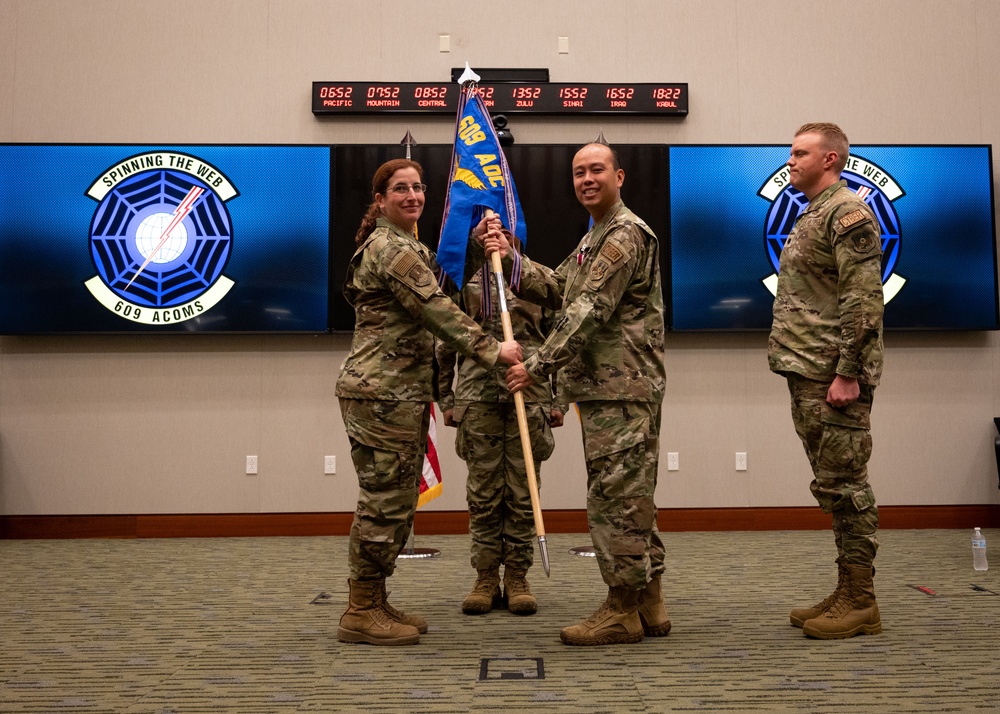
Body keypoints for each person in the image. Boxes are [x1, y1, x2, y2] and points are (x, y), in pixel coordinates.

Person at [335, 159, 522, 646]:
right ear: (380, 200)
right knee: (383, 503)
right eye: (400, 189)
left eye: (419, 187)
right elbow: (437, 309)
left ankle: (374, 598)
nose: (412, 195)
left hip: (400, 393)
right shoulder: (389, 249)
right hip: (382, 394)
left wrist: (484, 247)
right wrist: (492, 350)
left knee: (397, 501)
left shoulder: (408, 247)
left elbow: (447, 285)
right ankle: (360, 609)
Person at [490, 143, 669, 646]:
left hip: (621, 389)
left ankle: (622, 609)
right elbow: (558, 286)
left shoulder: (623, 235)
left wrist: (537, 366)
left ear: (619, 175)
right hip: (608, 389)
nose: (587, 179)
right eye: (578, 173)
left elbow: (588, 310)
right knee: (630, 496)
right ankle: (649, 603)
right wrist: (511, 257)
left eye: (596, 170)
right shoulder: (596, 236)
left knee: (617, 499)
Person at [768, 122, 884, 640]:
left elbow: (863, 301)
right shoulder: (814, 210)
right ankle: (845, 589)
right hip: (808, 372)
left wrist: (848, 373)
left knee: (847, 487)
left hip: (832, 377)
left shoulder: (847, 213)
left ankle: (861, 600)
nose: (790, 160)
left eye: (800, 152)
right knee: (831, 486)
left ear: (830, 159)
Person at [436, 231, 564, 617]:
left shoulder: (540, 280)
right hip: (478, 398)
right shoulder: (466, 281)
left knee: (524, 493)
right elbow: (443, 341)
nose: (499, 235)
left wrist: (559, 399)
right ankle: (486, 576)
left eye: (506, 228)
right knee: (484, 494)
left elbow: (562, 339)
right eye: (491, 228)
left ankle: (518, 577)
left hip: (530, 396)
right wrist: (446, 398)